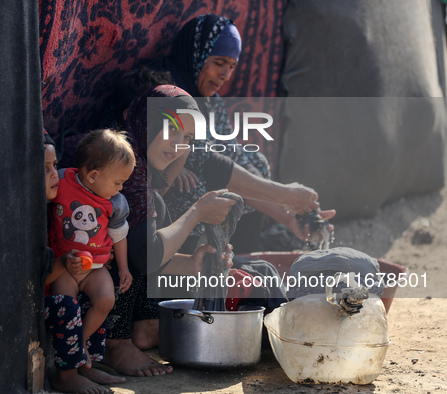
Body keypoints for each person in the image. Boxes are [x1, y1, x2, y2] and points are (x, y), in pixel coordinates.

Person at [147, 14, 335, 253]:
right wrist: (284, 196)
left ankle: (242, 257)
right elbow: (205, 161)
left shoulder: (209, 101)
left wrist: (287, 215)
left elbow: (230, 154)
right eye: (219, 62)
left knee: (255, 162)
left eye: (232, 66)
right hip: (145, 183)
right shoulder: (162, 90)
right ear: (197, 54)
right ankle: (180, 266)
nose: (226, 74)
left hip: (197, 168)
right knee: (193, 186)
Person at [103, 85, 237, 377]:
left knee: (158, 209)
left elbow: (147, 249)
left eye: (187, 138)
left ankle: (138, 326)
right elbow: (143, 255)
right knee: (146, 220)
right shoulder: (118, 164)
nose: (178, 144)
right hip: (81, 276)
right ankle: (115, 342)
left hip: (109, 274)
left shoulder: (142, 172)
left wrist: (190, 263)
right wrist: (197, 212)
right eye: (172, 129)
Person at [42, 131, 125, 394]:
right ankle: (67, 374)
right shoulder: (63, 183)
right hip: (64, 266)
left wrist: (123, 267)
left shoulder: (115, 202)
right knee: (67, 308)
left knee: (105, 300)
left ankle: (85, 360)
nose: (120, 188)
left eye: (54, 166)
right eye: (118, 182)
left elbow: (118, 233)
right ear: (92, 176)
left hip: (95, 267)